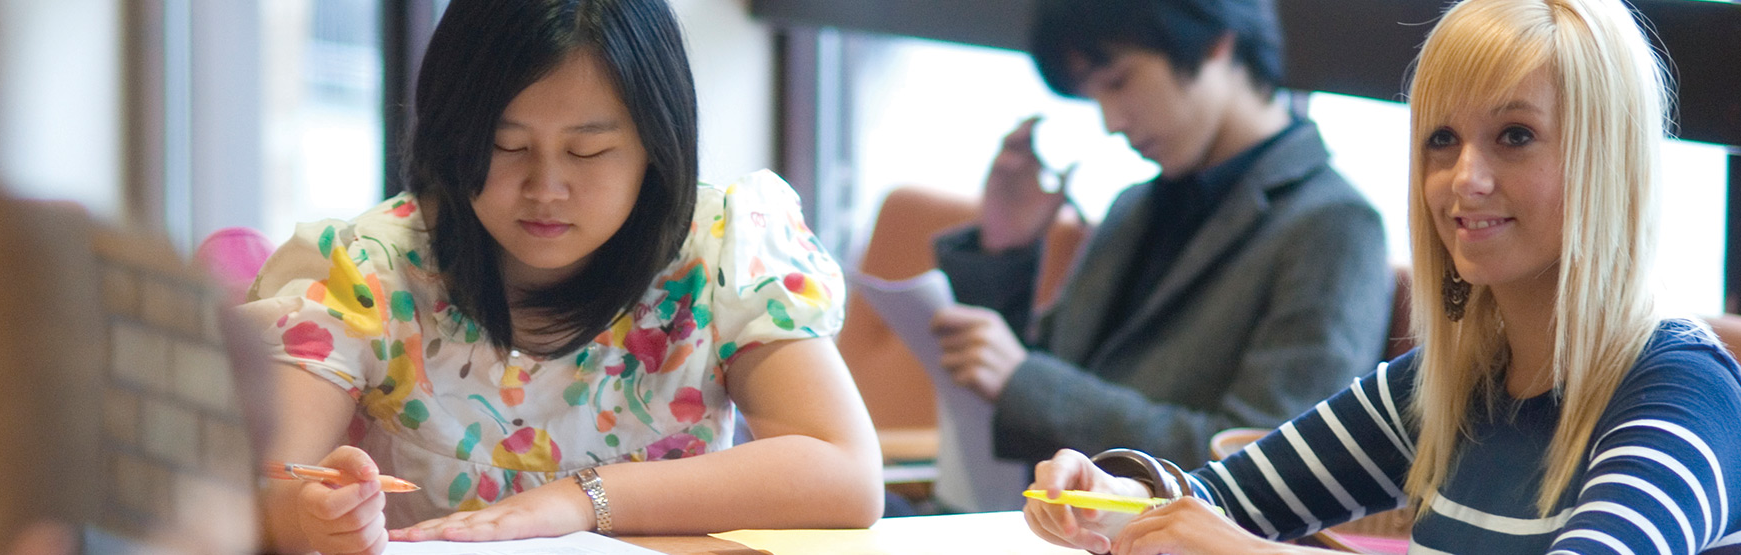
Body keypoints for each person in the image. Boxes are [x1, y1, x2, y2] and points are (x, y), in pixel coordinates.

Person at [1023, 0, 1741, 552]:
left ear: (1606, 159)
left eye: (1514, 136)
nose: (1465, 178)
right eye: (1442, 139)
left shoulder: (1683, 390)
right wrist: (1114, 496)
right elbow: (1222, 499)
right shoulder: (1450, 381)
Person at [239, 1, 882, 552]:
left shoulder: (720, 250)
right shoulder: (370, 269)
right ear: (454, 135)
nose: (545, 188)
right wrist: (312, 516)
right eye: (507, 145)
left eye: (588, 151)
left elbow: (845, 471)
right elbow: (255, 484)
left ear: (658, 145)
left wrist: (583, 500)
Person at [930, 0, 1393, 469]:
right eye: (1093, 96)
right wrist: (1006, 243)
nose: (1111, 121)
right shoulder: (1136, 204)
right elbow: (1023, 388)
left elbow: (1271, 466)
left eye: (1119, 81)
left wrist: (1026, 382)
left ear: (1216, 43)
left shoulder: (1333, 225)